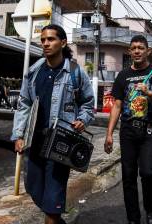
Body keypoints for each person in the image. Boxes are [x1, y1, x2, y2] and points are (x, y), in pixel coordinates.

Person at [11, 24, 94, 224]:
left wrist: (82, 120)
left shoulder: (75, 72)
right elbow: (24, 104)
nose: (46, 43)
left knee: (52, 204)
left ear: (63, 42)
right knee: (33, 188)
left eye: (51, 39)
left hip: (60, 145)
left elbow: (88, 103)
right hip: (35, 142)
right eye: (43, 40)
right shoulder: (34, 71)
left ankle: (54, 215)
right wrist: (19, 135)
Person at [104, 35, 152, 224]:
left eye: (140, 48)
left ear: (148, 51)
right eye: (133, 48)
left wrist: (149, 93)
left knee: (148, 172)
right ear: (129, 51)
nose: (136, 51)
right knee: (128, 176)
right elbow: (117, 106)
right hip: (127, 131)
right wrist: (109, 134)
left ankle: (150, 211)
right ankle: (133, 218)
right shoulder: (123, 76)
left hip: (149, 129)